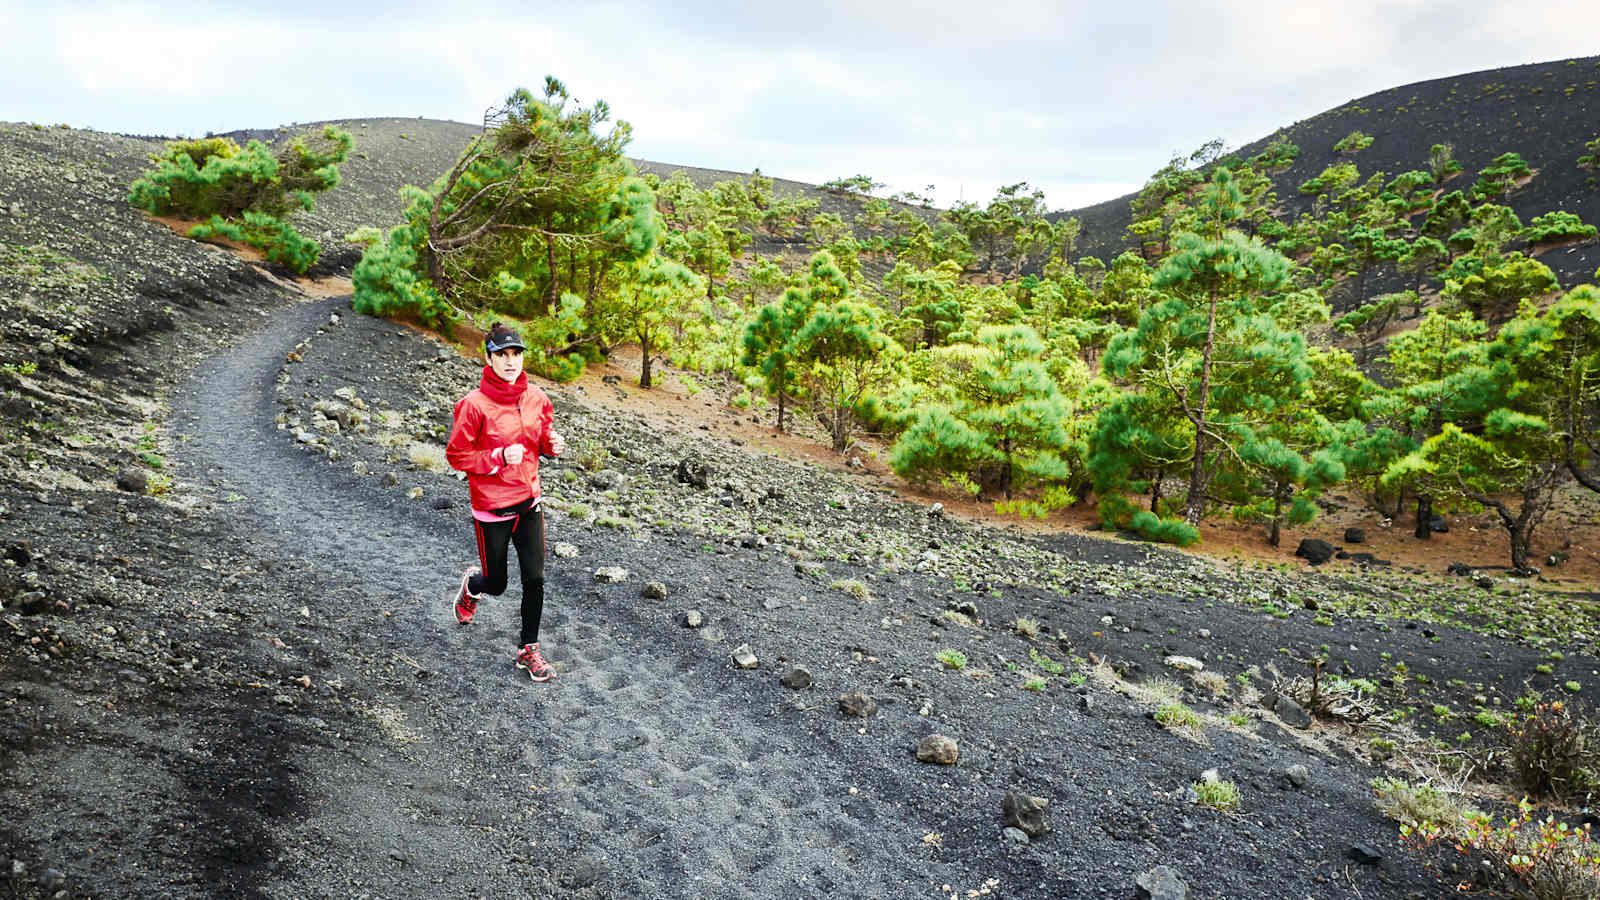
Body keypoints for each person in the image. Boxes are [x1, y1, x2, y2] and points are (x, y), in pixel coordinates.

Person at [445, 322, 566, 682]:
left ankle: (528, 650)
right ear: (489, 358)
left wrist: (551, 446)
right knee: (497, 583)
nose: (511, 361)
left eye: (516, 354)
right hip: (492, 509)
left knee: (536, 578)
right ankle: (473, 587)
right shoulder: (472, 406)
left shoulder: (538, 398)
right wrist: (497, 456)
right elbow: (456, 456)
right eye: (502, 354)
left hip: (529, 501)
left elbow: (540, 440)